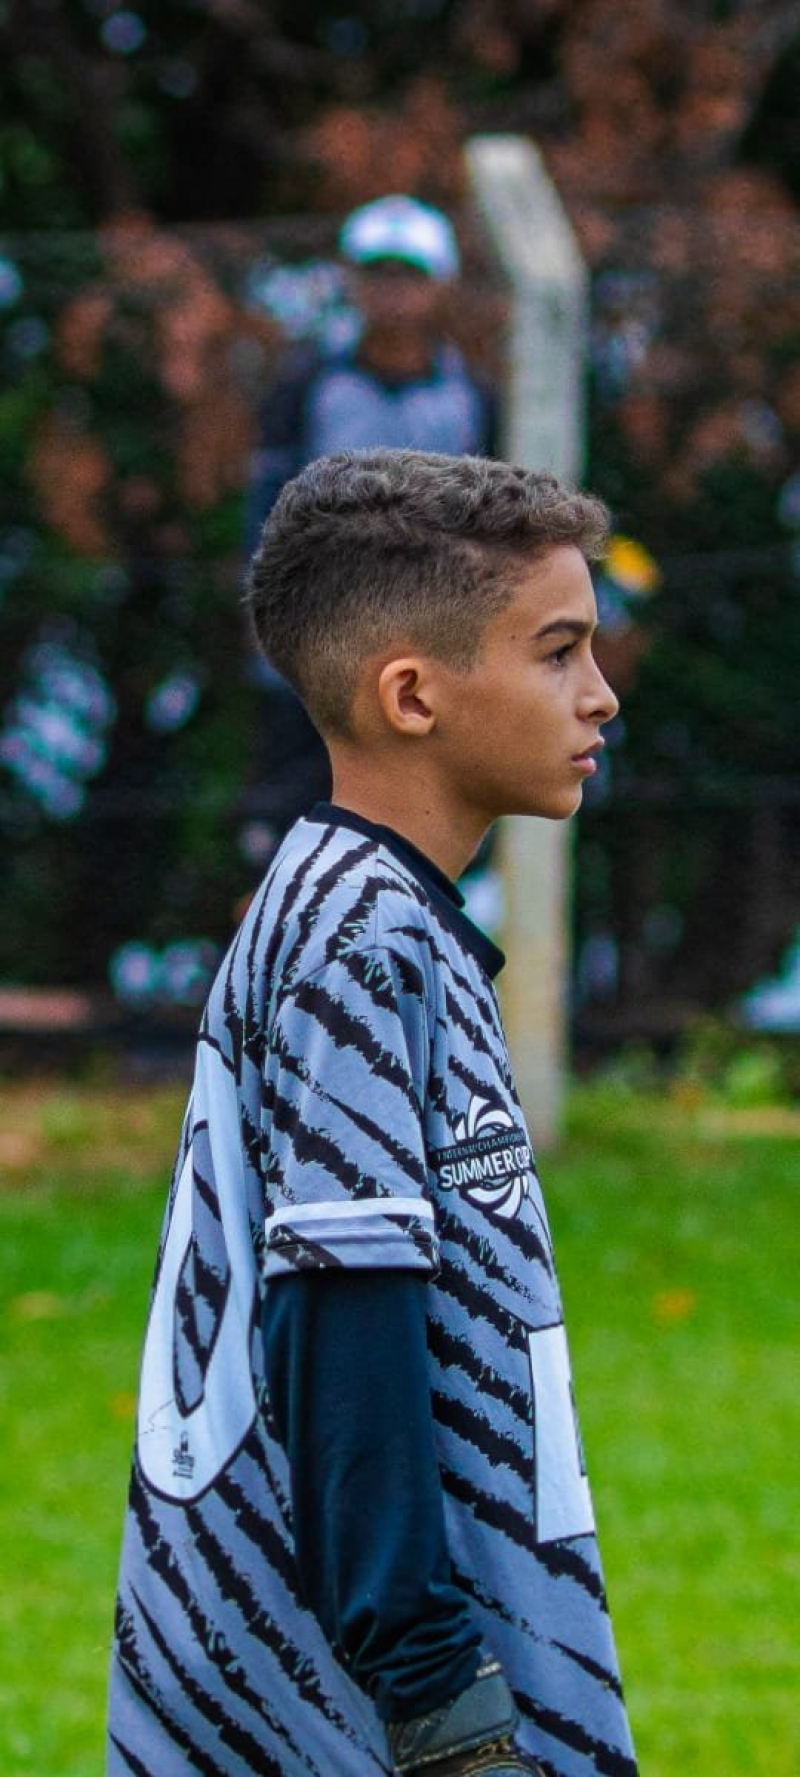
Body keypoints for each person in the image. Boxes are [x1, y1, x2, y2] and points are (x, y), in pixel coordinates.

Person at [108, 448, 638, 1777]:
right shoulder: (358, 944)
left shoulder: (368, 912)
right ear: (411, 695)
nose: (600, 693)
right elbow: (346, 1318)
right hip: (355, 1715)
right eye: (558, 651)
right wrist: (435, 1694)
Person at [242, 195, 498, 852]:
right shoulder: (307, 385)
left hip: (432, 629)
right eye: (377, 273)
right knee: (293, 805)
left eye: (409, 275)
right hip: (319, 623)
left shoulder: (473, 396)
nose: (392, 292)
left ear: (440, 286)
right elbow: (265, 502)